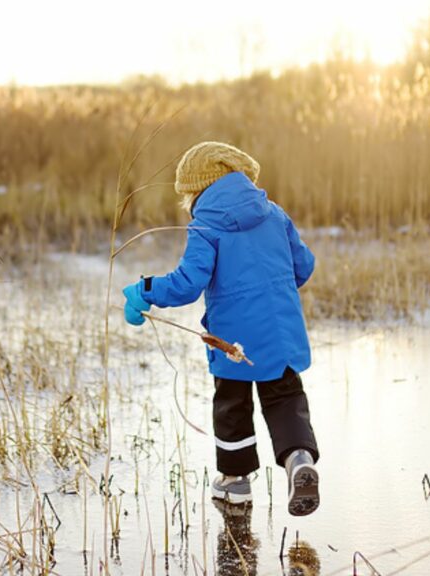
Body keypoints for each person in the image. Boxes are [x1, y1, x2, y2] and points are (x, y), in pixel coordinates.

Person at [122, 141, 320, 516]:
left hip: (234, 341)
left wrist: (145, 289)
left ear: (195, 190)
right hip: (281, 332)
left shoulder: (206, 226)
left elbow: (186, 284)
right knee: (285, 398)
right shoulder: (275, 214)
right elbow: (304, 267)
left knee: (232, 404)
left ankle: (235, 482)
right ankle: (299, 461)